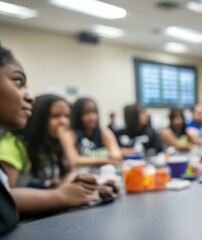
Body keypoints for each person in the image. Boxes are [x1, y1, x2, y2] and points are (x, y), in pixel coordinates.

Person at [0, 45, 115, 235]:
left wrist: (84, 188)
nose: (63, 122)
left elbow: (63, 177)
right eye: (56, 117)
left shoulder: (51, 146)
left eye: (67, 117)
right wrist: (60, 196)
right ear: (39, 118)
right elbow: (6, 199)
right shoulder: (12, 145)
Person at [68, 97, 122, 167]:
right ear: (78, 115)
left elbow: (116, 156)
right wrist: (105, 160)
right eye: (86, 113)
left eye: (94, 112)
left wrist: (86, 160)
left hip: (104, 174)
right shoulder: (71, 134)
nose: (92, 117)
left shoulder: (105, 133)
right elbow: (74, 161)